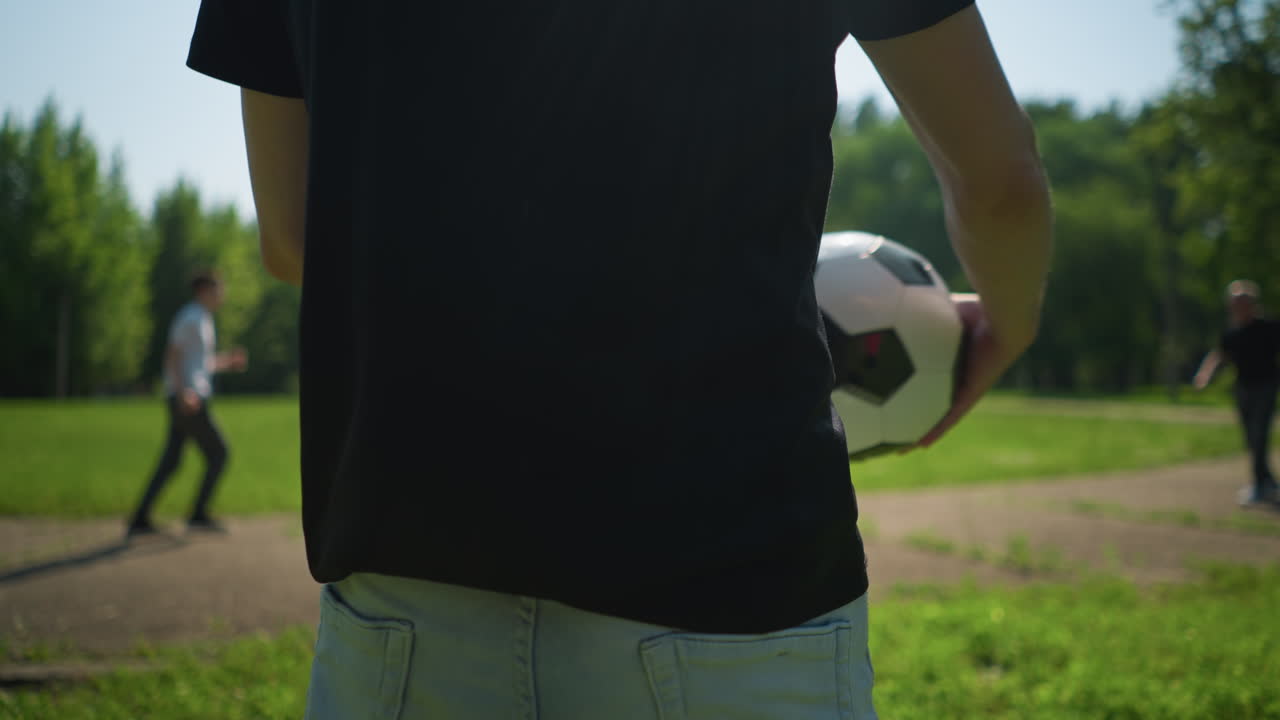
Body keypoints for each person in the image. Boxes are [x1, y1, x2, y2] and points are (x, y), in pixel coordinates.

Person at [187, 1, 1052, 717]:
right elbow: (999, 181)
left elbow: (293, 237)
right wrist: (1006, 324)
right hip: (734, 598)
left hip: (402, 606)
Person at [126, 270, 247, 537]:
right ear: (203, 290)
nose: (222, 295)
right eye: (218, 289)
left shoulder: (203, 319)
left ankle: (140, 518)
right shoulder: (190, 317)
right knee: (219, 453)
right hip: (189, 399)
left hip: (188, 396)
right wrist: (182, 393)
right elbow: (172, 356)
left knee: (171, 460)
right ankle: (198, 514)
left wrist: (228, 362)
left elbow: (201, 364)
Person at [1193, 280, 1280, 506]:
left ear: (1252, 304)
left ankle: (1260, 485)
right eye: (1234, 304)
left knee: (1259, 434)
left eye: (1241, 303)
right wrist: (1204, 374)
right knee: (1251, 437)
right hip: (1243, 389)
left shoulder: (1269, 328)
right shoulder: (1232, 332)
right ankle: (1266, 480)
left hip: (1266, 387)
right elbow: (1219, 355)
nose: (1237, 308)